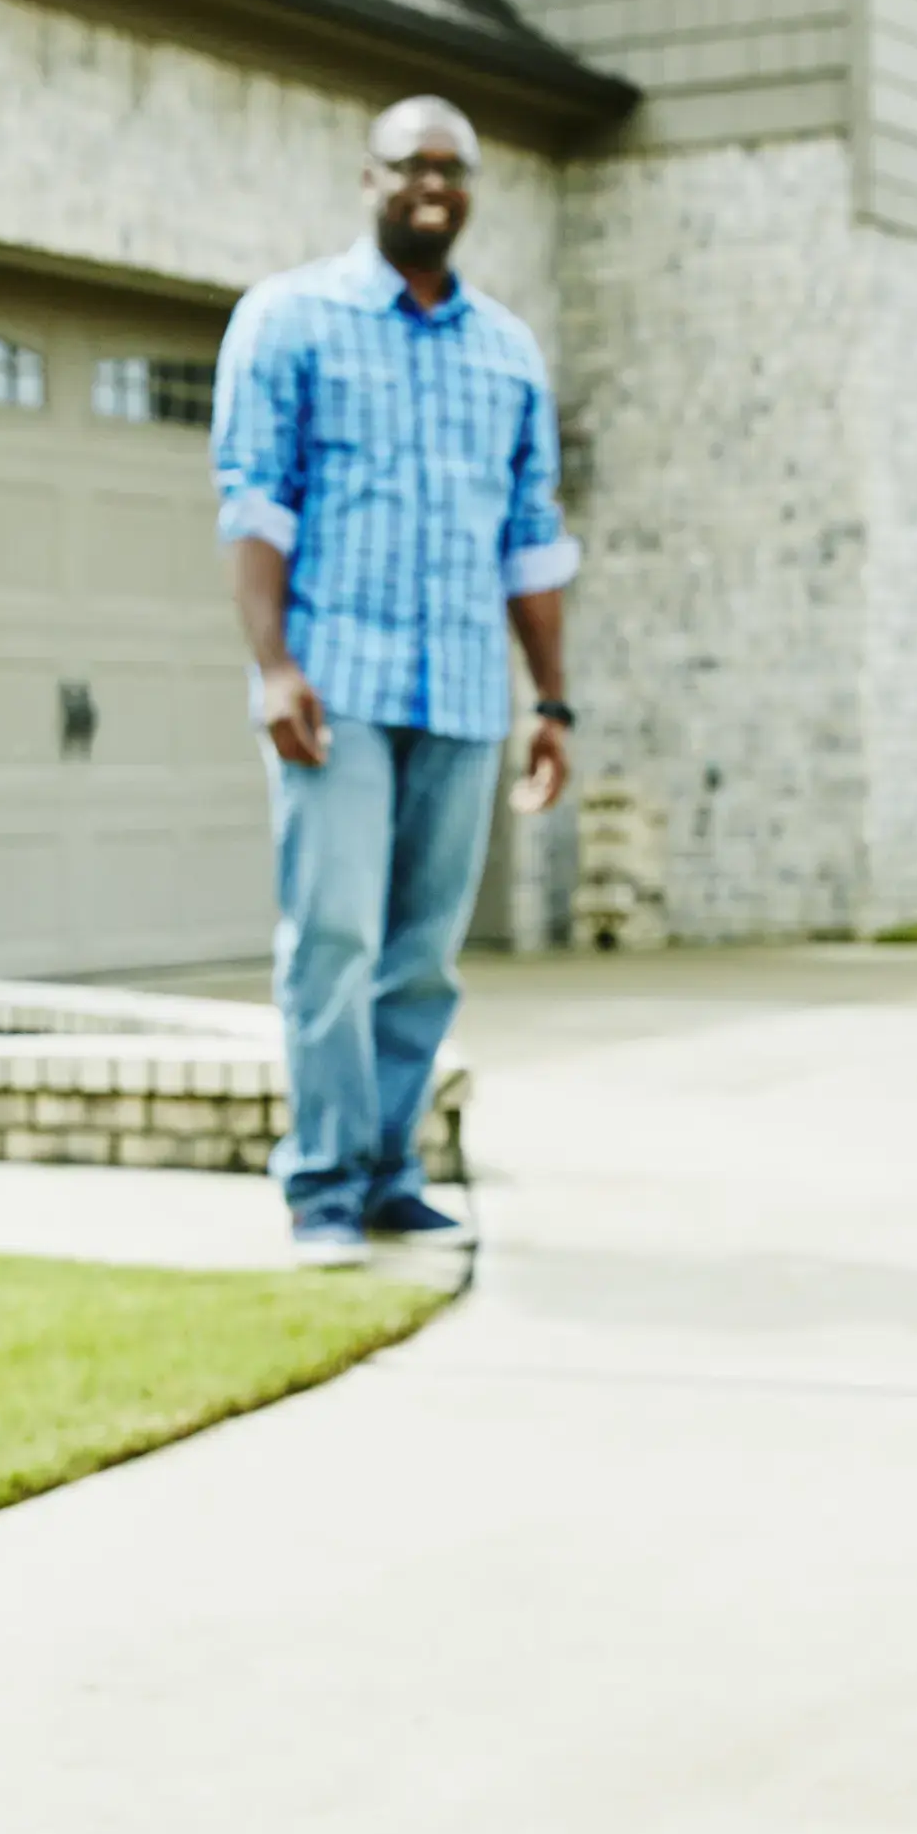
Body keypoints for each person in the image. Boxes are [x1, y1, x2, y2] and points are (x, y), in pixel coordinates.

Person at [213, 95, 577, 1261]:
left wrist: (552, 703)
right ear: (367, 179)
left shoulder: (506, 352)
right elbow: (255, 504)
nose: (433, 184)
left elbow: (531, 541)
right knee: (333, 938)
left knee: (421, 954)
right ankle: (319, 1186)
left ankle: (386, 1173)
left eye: (454, 169)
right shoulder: (289, 321)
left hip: (466, 694)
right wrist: (272, 667)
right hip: (337, 688)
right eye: (411, 164)